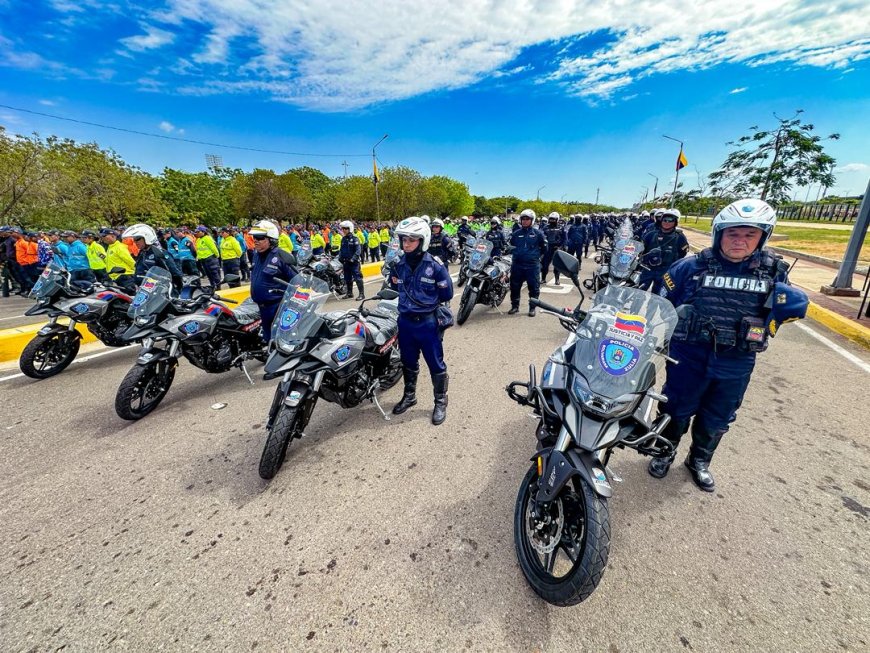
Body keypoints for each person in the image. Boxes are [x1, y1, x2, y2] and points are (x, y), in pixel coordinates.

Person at [647, 199, 809, 491]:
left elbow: (780, 311)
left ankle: (698, 461)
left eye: (750, 235)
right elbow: (661, 306)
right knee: (676, 407)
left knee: (719, 414)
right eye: (733, 234)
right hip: (689, 353)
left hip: (737, 358)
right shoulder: (688, 268)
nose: (740, 241)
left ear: (763, 237)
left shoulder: (774, 272)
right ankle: (664, 451)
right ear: (719, 234)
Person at [388, 217, 454, 425]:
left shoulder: (435, 266)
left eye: (412, 240)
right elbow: (392, 286)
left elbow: (446, 294)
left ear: (423, 240)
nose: (406, 244)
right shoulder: (398, 265)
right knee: (408, 362)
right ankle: (410, 396)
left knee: (435, 363)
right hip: (405, 323)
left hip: (427, 323)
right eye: (403, 239)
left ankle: (440, 401)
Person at [249, 219, 298, 340]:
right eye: (254, 237)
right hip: (262, 308)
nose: (255, 240)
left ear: (271, 239)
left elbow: (297, 281)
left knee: (281, 340)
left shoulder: (282, 257)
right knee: (268, 339)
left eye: (260, 237)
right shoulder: (256, 255)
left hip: (278, 308)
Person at [639, 208, 690, 293]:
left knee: (659, 297)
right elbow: (640, 249)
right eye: (665, 219)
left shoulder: (680, 237)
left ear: (675, 222)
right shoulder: (651, 234)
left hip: (665, 272)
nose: (667, 222)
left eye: (670, 220)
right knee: (638, 292)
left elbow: (683, 254)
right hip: (647, 268)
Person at [508, 209, 547, 317]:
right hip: (517, 265)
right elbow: (510, 246)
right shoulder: (516, 234)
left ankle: (532, 308)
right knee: (514, 286)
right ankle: (515, 306)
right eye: (523, 219)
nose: (524, 221)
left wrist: (537, 258)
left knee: (534, 287)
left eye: (527, 219)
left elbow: (545, 248)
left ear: (532, 220)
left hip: (532, 266)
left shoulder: (538, 234)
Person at [338, 220, 365, 300]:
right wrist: (340, 258)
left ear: (350, 229)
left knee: (357, 278)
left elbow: (358, 251)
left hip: (354, 263)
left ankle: (361, 294)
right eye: (343, 229)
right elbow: (341, 250)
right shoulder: (343, 239)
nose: (343, 230)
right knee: (347, 278)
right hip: (346, 262)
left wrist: (353, 259)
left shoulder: (355, 239)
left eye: (345, 229)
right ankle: (349, 293)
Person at [541, 212, 565, 285]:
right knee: (545, 265)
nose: (552, 221)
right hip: (547, 248)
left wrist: (561, 246)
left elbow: (564, 238)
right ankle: (543, 279)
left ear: (557, 219)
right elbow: (542, 236)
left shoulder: (561, 227)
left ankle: (557, 279)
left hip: (557, 248)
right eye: (551, 219)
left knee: (557, 265)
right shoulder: (545, 227)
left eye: (554, 219)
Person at [194, 225, 222, 289]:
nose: (196, 233)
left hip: (210, 258)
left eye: (198, 232)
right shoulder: (198, 240)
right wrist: (198, 257)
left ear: (203, 232)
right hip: (203, 259)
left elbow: (213, 248)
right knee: (209, 274)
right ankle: (213, 286)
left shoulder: (207, 238)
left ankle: (218, 286)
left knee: (214, 273)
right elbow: (199, 249)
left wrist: (217, 256)